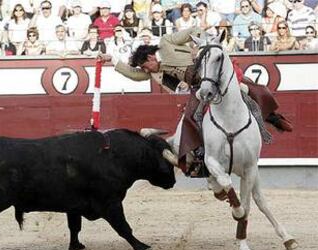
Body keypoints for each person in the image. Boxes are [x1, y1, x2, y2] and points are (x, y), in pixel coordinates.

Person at [99, 27, 293, 175]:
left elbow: (193, 31)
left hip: (213, 72)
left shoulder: (166, 43)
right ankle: (200, 157)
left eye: (145, 65)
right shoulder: (155, 71)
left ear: (150, 56)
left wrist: (200, 47)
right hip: (200, 88)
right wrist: (112, 59)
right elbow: (135, 75)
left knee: (248, 88)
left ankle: (272, 117)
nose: (146, 70)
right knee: (190, 118)